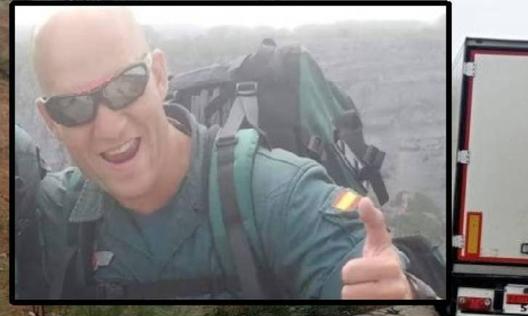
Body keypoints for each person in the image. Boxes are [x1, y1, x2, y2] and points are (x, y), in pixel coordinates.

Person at [27, 7, 430, 300]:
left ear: (159, 76)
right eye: (74, 107)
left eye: (125, 86)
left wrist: (399, 293)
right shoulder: (51, 214)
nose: (109, 125)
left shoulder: (277, 194)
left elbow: (356, 279)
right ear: (50, 121)